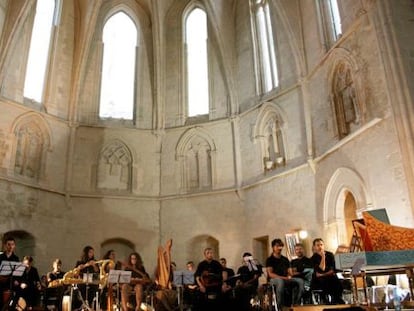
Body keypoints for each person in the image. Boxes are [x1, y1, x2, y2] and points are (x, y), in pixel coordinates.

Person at [266, 238, 304, 308]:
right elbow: (270, 274)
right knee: (280, 282)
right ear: (273, 247)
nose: (279, 248)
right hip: (274, 280)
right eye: (277, 246)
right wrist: (284, 278)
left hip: (285, 278)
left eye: (280, 246)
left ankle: (296, 304)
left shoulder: (285, 259)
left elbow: (289, 272)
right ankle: (280, 307)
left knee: (300, 281)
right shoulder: (269, 259)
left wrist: (290, 275)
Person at [310, 238, 344, 304]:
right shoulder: (313, 258)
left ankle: (336, 299)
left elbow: (333, 269)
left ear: (324, 245)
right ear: (314, 247)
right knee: (323, 281)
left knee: (337, 281)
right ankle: (327, 300)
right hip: (318, 279)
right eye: (318, 245)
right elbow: (321, 270)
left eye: (321, 245)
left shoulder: (330, 255)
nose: (320, 247)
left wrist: (323, 274)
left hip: (330, 276)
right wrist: (323, 257)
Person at [0, 236, 20, 310]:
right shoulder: (0, 257)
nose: (11, 246)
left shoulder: (16, 258)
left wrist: (17, 280)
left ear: (14, 246)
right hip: (1, 284)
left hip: (11, 285)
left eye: (12, 244)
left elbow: (18, 273)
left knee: (11, 304)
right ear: (5, 245)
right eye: (9, 244)